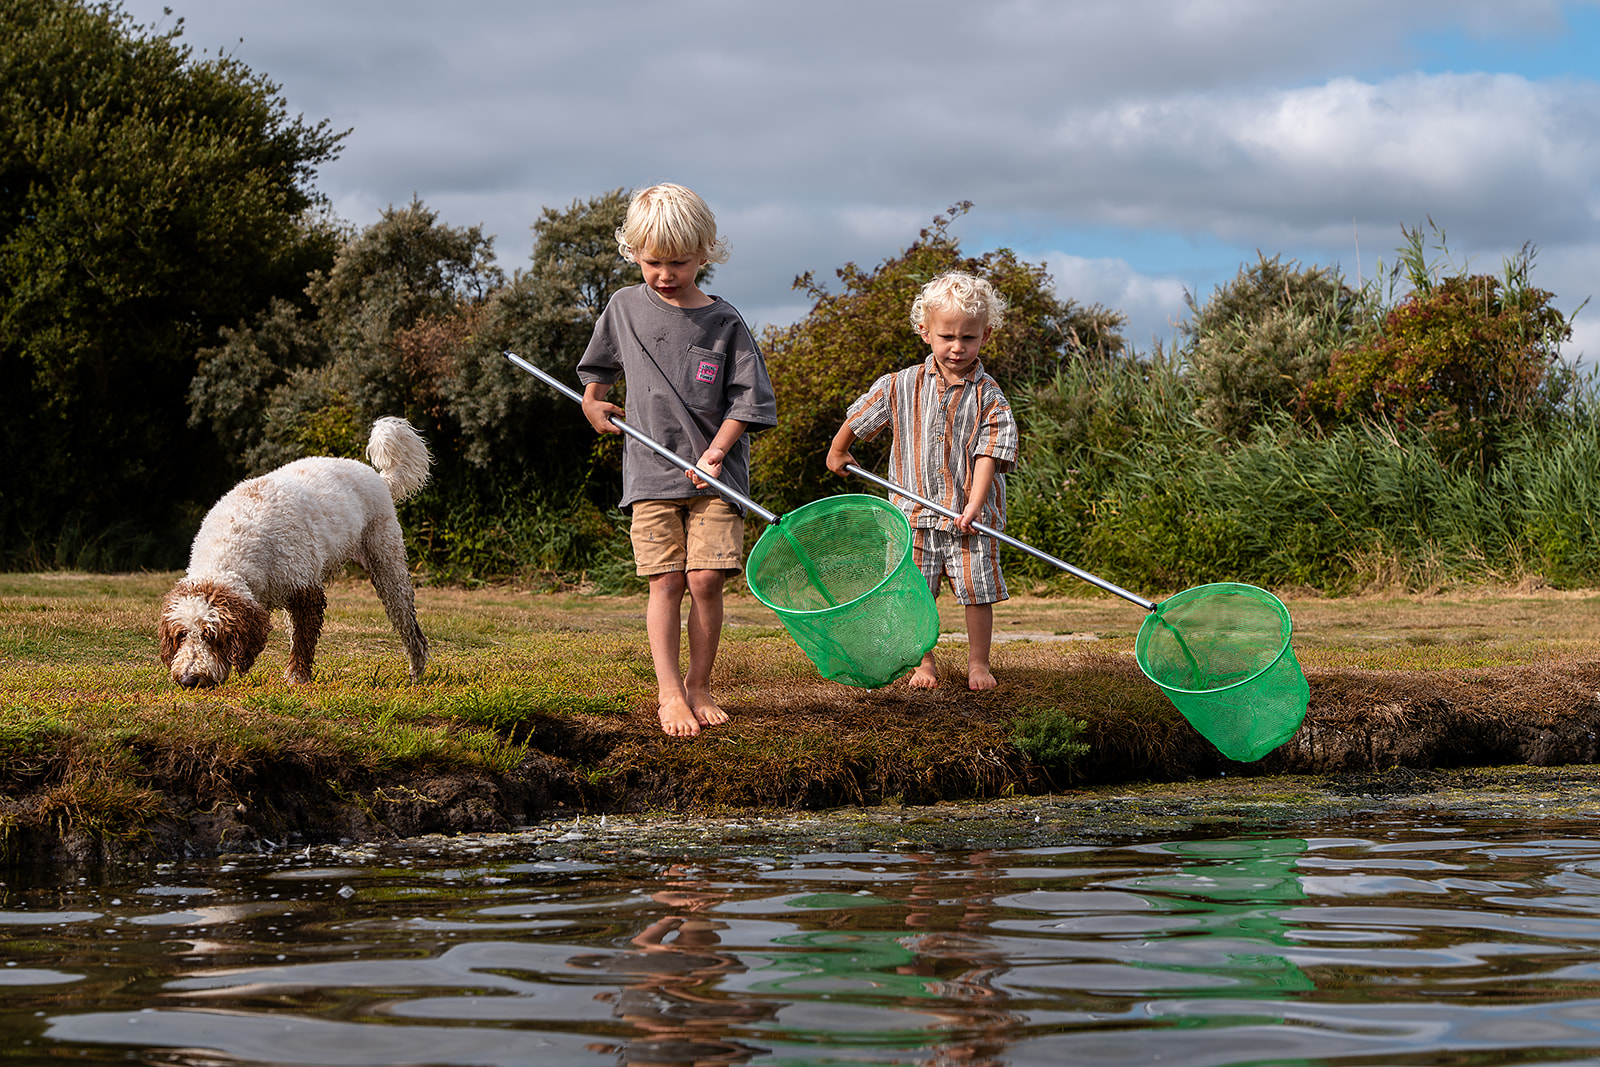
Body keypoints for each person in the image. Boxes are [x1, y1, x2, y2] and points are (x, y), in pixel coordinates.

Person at [578, 183, 776, 737]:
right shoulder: (622, 307)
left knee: (707, 579)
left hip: (717, 476)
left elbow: (749, 399)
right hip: (650, 470)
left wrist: (716, 452)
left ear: (705, 254)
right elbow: (595, 375)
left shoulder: (724, 321)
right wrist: (594, 406)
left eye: (679, 262)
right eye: (653, 262)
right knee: (665, 581)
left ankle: (699, 685)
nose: (665, 274)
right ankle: (669, 692)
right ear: (633, 253)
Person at [826, 271, 1017, 691]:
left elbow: (989, 454)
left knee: (976, 591)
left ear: (985, 335)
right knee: (917, 594)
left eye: (969, 337)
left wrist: (974, 504)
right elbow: (860, 417)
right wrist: (839, 449)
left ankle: (978, 664)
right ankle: (923, 663)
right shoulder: (902, 384)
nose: (957, 347)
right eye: (947, 336)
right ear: (924, 331)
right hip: (913, 515)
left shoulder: (989, 395)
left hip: (970, 518)